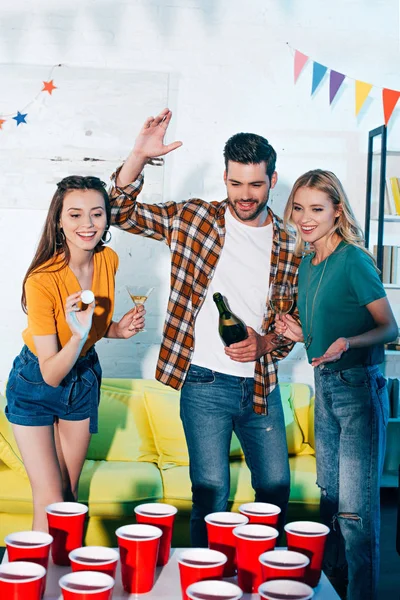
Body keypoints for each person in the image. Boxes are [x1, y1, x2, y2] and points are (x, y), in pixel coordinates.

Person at [108, 108, 301, 546]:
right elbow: (120, 212)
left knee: (274, 492)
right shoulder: (194, 218)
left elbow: (296, 319)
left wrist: (266, 342)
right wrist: (137, 158)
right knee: (210, 495)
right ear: (225, 178)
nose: (245, 195)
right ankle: (202, 585)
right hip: (203, 384)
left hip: (261, 386)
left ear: (273, 179)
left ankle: (263, 580)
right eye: (235, 183)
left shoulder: (291, 241)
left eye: (255, 184)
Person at [275, 169, 398, 600]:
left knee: (356, 514)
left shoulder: (354, 259)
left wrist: (349, 343)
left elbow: (388, 327)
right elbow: (321, 335)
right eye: (298, 208)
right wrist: (299, 334)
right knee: (329, 503)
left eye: (316, 209)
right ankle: (332, 592)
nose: (305, 218)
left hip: (359, 390)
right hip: (324, 386)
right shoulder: (308, 263)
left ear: (337, 210)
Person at [5, 175, 145, 532]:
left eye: (96, 214)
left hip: (82, 379)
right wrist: (81, 335)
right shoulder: (42, 280)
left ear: (106, 219)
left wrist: (117, 328)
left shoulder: (108, 259)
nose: (87, 225)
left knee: (68, 498)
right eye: (76, 215)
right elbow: (51, 372)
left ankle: (69, 584)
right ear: (59, 221)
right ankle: (33, 586)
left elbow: (92, 326)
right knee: (50, 499)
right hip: (37, 382)